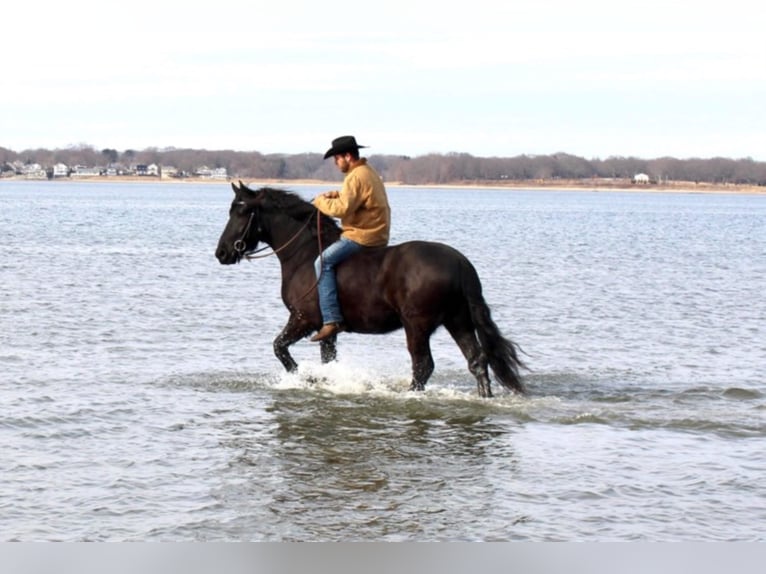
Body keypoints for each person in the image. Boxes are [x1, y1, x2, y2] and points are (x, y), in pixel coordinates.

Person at [310, 135, 391, 342]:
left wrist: (320, 201)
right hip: (377, 232)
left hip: (363, 235)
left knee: (323, 262)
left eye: (337, 158)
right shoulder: (367, 172)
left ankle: (331, 320)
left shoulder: (355, 176)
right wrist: (337, 194)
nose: (336, 163)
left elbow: (343, 209)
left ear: (347, 156)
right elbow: (354, 197)